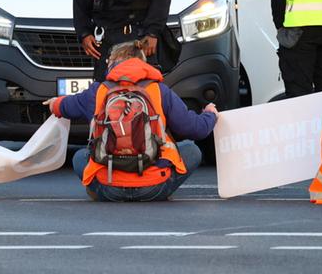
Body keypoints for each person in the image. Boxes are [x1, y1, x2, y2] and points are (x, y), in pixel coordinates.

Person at [47, 42, 216, 202]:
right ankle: (157, 185)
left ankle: (99, 188)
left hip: (109, 187)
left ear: (115, 61)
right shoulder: (158, 90)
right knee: (192, 150)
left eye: (108, 60)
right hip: (154, 187)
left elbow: (64, 107)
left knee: (79, 157)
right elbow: (195, 129)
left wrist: (55, 103)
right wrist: (210, 114)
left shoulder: (99, 91)